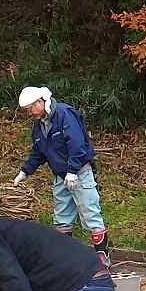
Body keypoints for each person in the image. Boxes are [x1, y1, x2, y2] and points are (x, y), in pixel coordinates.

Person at [12, 86, 111, 268]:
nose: (29, 113)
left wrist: (73, 170)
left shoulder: (64, 114)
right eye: (27, 110)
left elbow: (77, 144)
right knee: (62, 217)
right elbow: (38, 151)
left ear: (40, 102)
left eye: (30, 108)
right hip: (60, 175)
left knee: (90, 212)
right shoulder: (39, 124)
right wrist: (24, 171)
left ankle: (102, 257)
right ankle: (66, 257)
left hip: (79, 172)